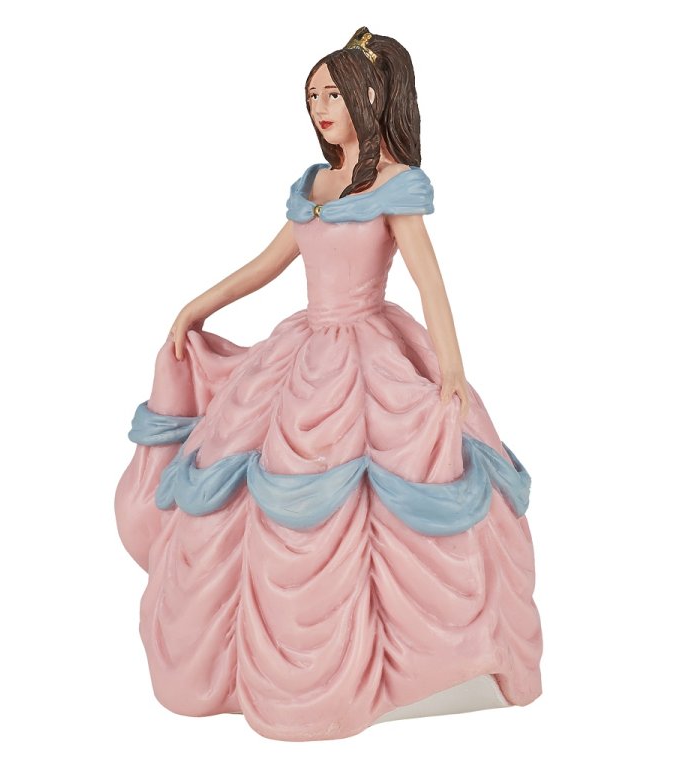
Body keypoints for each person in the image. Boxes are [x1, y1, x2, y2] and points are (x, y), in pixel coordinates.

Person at [114, 27, 543, 742]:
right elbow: (267, 263)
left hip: (371, 352)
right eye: (312, 94)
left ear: (369, 98)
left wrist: (451, 368)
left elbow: (429, 282)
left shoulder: (394, 185)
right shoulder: (314, 186)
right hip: (304, 350)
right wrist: (197, 305)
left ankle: (427, 664)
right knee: (254, 475)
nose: (320, 107)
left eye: (333, 94)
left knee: (391, 478)